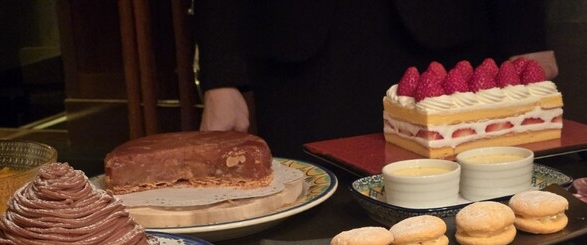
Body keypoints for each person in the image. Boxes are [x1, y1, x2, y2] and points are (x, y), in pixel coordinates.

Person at [193, 1, 558, 160]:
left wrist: (527, 34)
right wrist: (221, 76)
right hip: (300, 52)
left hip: (449, 36)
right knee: (322, 229)